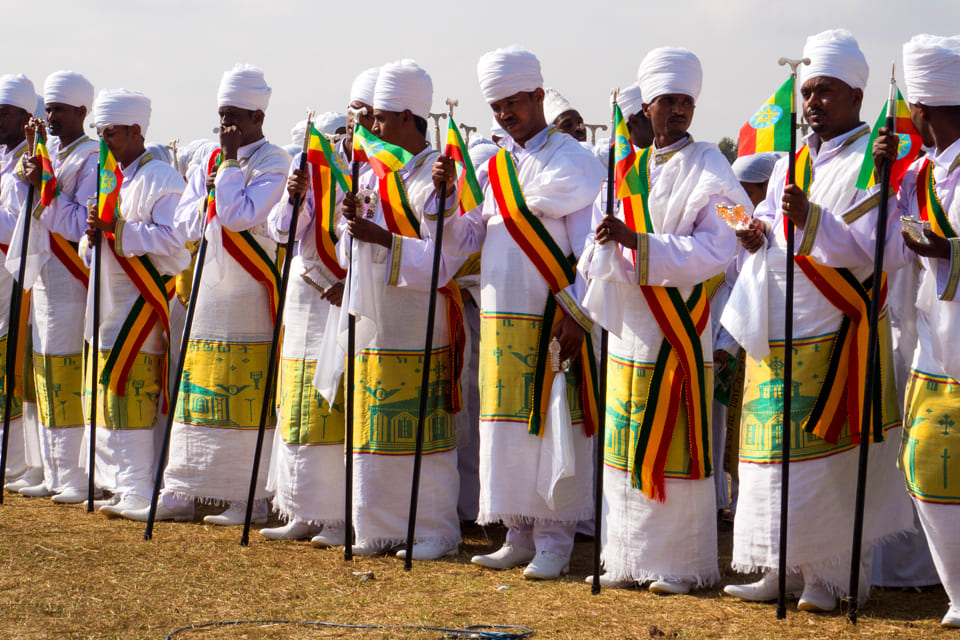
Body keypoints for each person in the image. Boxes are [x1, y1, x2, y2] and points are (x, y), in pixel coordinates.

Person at [722, 29, 913, 612]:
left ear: (856, 94)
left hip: (835, 326)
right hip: (776, 326)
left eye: (824, 92)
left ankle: (828, 580)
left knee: (825, 463)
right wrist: (752, 234)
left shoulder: (874, 159)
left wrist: (811, 219)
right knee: (769, 458)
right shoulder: (791, 159)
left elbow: (879, 248)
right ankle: (778, 567)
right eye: (807, 93)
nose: (812, 104)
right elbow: (768, 226)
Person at [580, 47, 744, 593]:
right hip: (630, 325)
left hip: (678, 323)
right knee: (626, 437)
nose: (677, 111)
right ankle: (625, 557)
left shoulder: (712, 168)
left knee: (674, 436)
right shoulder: (626, 169)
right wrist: (604, 246)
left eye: (687, 102)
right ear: (645, 107)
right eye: (667, 101)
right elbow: (597, 242)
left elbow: (721, 245)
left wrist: (639, 242)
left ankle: (675, 561)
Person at [460, 45, 603, 580]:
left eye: (512, 103)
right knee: (506, 427)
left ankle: (555, 538)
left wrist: (577, 313)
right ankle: (518, 531)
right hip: (500, 317)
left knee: (551, 422)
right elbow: (474, 230)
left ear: (539, 95)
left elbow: (591, 248)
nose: (503, 114)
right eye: (495, 106)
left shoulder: (573, 159)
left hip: (551, 314)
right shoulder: (496, 165)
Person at [134, 64, 290, 525]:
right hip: (207, 291)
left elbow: (240, 215)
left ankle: (248, 499)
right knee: (199, 387)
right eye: (222, 115)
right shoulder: (207, 162)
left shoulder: (274, 160)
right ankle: (184, 488)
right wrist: (212, 189)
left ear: (257, 117)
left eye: (234, 116)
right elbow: (185, 222)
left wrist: (228, 163)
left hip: (249, 292)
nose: (226, 125)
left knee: (245, 393)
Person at [337, 59, 462, 560]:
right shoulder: (377, 173)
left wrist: (383, 239)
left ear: (410, 117)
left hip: (421, 319)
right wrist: (354, 224)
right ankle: (377, 525)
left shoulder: (439, 178)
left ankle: (432, 530)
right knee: (376, 420)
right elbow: (353, 251)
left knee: (422, 427)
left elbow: (446, 261)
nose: (373, 127)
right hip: (379, 318)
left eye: (381, 118)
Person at [259, 67, 375, 545]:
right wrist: (293, 196)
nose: (353, 130)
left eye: (363, 119)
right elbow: (281, 231)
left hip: (349, 297)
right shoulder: (316, 168)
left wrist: (345, 284)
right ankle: (301, 508)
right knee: (299, 403)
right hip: (305, 298)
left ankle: (334, 514)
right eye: (350, 121)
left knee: (336, 403)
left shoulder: (378, 171)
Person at [873, 32, 960, 628]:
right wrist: (882, 180)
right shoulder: (919, 174)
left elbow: (937, 249)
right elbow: (882, 250)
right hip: (935, 343)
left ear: (923, 108)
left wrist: (948, 250)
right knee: (929, 468)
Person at [82, 88, 189, 517]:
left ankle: (140, 488)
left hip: (143, 305)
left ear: (135, 130)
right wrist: (96, 237)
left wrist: (120, 231)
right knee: (108, 393)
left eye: (110, 134)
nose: (103, 142)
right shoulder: (109, 177)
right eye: (99, 133)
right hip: (108, 299)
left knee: (134, 391)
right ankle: (114, 482)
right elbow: (101, 236)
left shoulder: (162, 178)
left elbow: (176, 245)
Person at [14, 71, 99, 503]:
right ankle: (50, 469)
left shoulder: (92, 158)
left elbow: (76, 224)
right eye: (47, 109)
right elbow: (26, 213)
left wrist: (42, 185)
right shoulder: (48, 153)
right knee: (44, 373)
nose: (50, 117)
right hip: (45, 278)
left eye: (59, 110)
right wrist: (34, 170)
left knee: (67, 373)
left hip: (73, 280)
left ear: (83, 112)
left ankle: (76, 474)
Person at [0, 74, 43, 493]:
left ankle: (14, 459)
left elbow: (18, 223)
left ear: (26, 117)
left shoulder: (25, 162)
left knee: (10, 364)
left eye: (5, 113)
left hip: (12, 276)